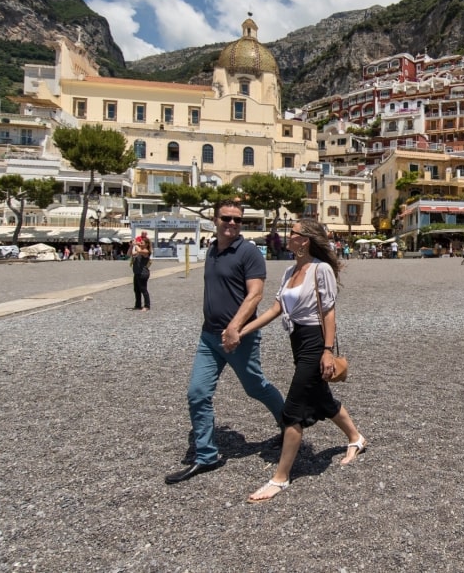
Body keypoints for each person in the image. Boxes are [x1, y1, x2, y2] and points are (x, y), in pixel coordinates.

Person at [238, 218, 366, 502]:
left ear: (304, 240)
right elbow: (275, 309)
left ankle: (280, 478)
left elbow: (329, 312)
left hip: (315, 341)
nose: (288, 236)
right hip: (296, 341)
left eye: (292, 233)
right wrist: (242, 330)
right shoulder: (289, 271)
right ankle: (356, 438)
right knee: (322, 398)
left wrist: (327, 350)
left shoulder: (321, 271)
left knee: (293, 408)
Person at [164, 199, 286, 485]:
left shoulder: (249, 252)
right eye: (226, 218)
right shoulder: (212, 251)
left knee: (256, 387)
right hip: (209, 336)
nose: (232, 223)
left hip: (240, 336)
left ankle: (289, 424)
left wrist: (234, 327)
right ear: (214, 219)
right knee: (197, 393)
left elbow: (255, 294)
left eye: (237, 220)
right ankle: (207, 455)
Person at [129, 238, 151, 311]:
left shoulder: (146, 251)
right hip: (136, 272)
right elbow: (130, 254)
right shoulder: (139, 251)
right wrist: (131, 246)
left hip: (143, 273)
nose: (140, 243)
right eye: (140, 242)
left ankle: (147, 305)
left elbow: (139, 251)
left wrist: (135, 244)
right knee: (136, 289)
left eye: (142, 243)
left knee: (143, 289)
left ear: (146, 244)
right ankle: (138, 305)